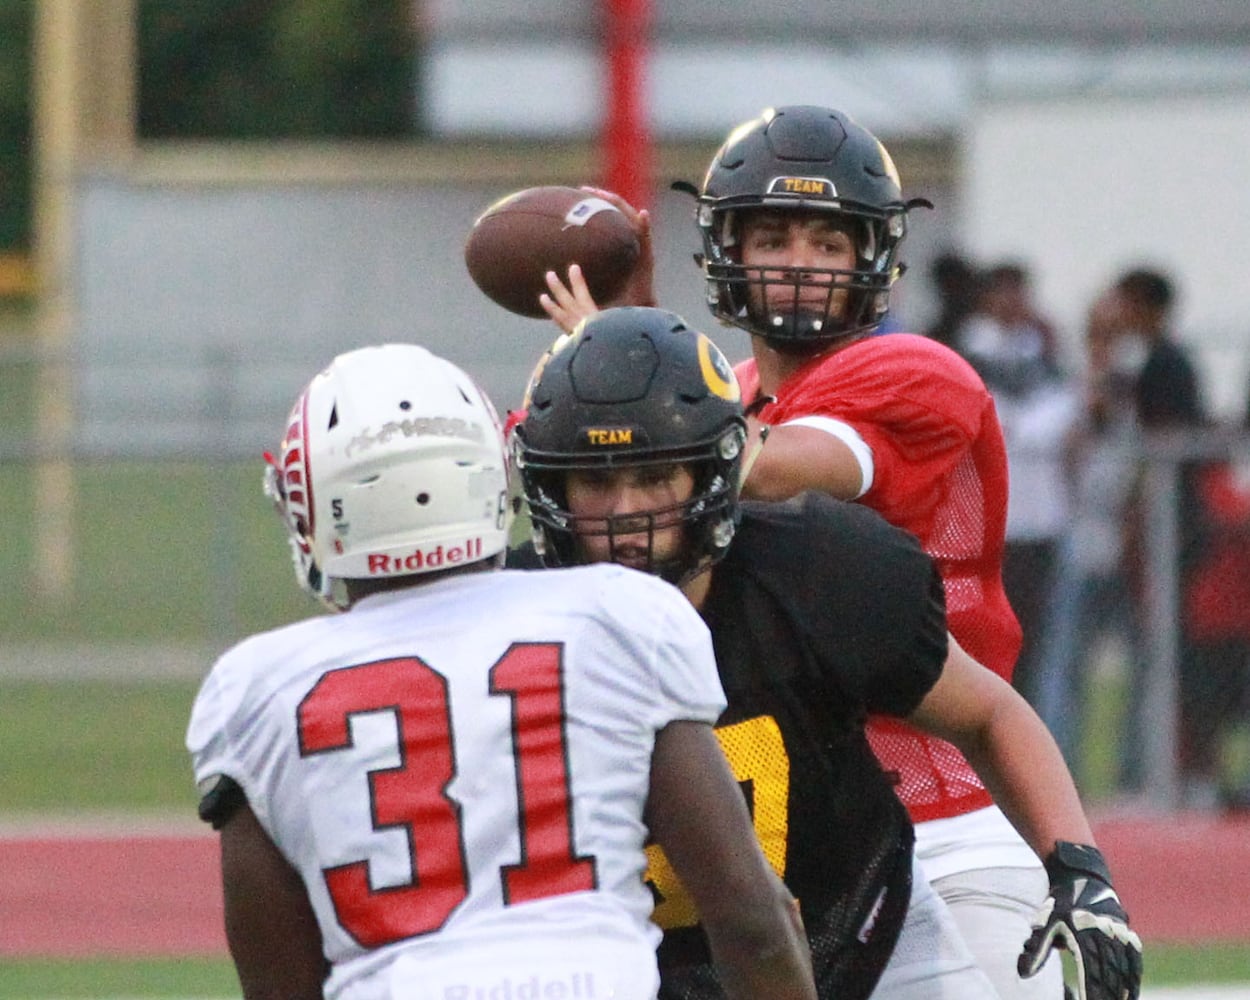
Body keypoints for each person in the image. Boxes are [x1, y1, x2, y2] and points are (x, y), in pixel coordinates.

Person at [537, 106, 1045, 999]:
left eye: (827, 241)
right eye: (771, 235)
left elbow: (768, 470)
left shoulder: (914, 372)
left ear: (871, 258)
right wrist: (629, 384)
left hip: (944, 799)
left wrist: (617, 375)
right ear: (725, 247)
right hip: (776, 817)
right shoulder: (718, 402)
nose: (798, 263)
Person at [512, 307, 1142, 1000]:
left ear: (716, 473)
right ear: (551, 487)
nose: (627, 517)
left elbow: (987, 713)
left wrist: (1079, 870)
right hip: (637, 963)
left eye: (656, 476)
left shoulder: (819, 571)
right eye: (597, 481)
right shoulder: (508, 625)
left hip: (867, 932)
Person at [185, 343, 817, 1000]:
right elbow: (752, 921)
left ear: (314, 507)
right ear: (491, 478)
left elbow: (280, 984)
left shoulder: (258, 689)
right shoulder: (619, 619)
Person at [955, 261, 1081, 708]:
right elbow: (988, 422)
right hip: (989, 523)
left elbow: (1066, 413)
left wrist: (1024, 428)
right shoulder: (968, 350)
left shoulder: (1038, 353)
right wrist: (1029, 428)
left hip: (1040, 520)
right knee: (985, 640)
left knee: (1034, 644)